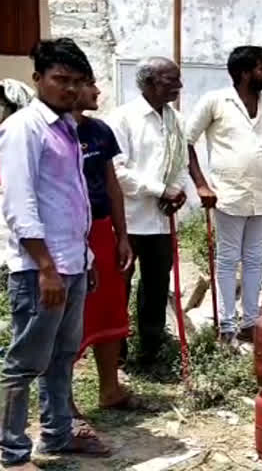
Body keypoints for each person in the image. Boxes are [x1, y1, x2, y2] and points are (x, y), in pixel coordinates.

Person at [0, 38, 109, 470]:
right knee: (24, 363)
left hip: (72, 262)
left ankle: (58, 435)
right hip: (39, 269)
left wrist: (84, 257)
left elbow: (70, 198)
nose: (68, 89)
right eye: (60, 80)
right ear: (38, 79)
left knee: (62, 357)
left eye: (76, 82)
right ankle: (11, 453)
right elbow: (19, 204)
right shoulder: (23, 129)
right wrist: (46, 267)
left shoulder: (66, 128)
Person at [187, 46, 262, 345]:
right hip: (228, 197)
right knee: (227, 259)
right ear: (245, 73)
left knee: (254, 260)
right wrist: (201, 184)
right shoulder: (215, 101)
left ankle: (249, 322)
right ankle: (226, 325)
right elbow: (185, 142)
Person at [106, 57, 187, 366]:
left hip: (162, 221)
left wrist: (177, 191)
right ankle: (115, 355)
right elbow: (118, 172)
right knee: (120, 287)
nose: (178, 87)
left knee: (156, 286)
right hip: (128, 220)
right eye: (171, 81)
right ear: (150, 83)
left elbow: (181, 161)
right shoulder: (123, 118)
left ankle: (150, 351)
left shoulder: (175, 119)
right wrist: (161, 189)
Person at [72, 75, 140, 410]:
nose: (97, 91)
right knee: (72, 316)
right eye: (89, 85)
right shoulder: (49, 133)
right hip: (68, 235)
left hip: (101, 230)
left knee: (110, 310)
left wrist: (121, 235)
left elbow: (112, 186)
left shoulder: (99, 131)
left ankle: (110, 390)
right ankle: (63, 404)